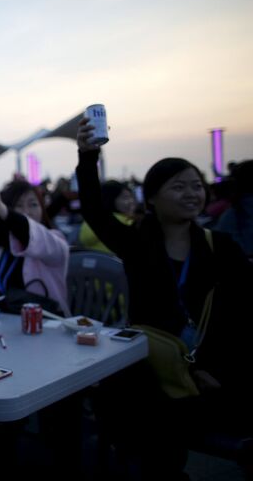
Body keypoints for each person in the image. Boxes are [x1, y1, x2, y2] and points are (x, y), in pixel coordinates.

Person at [76, 118, 253, 479]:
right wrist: (87, 155)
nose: (192, 194)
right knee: (118, 383)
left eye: (196, 186)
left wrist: (210, 369)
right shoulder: (137, 244)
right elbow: (94, 210)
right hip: (150, 366)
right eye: (178, 187)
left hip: (208, 370)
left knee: (145, 413)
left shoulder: (220, 247)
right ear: (152, 197)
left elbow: (242, 315)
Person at [0, 179, 69, 314]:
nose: (27, 212)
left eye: (33, 204)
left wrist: (3, 210)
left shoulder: (54, 241)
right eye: (19, 206)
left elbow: (28, 231)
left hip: (46, 329)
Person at [77, 180, 136, 254]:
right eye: (125, 198)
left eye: (131, 197)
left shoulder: (90, 220)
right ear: (111, 199)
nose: (131, 201)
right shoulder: (126, 222)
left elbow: (84, 239)